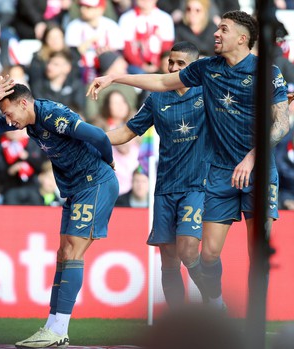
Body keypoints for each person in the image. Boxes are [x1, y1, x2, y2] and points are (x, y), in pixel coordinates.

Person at [88, 10, 290, 308]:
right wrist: (115, 77)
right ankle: (216, 305)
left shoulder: (267, 72)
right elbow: (161, 82)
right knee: (206, 255)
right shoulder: (207, 69)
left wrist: (252, 157)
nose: (216, 34)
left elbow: (282, 123)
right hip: (221, 174)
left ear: (242, 38)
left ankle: (253, 325)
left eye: (223, 29)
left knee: (257, 252)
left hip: (258, 170)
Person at [0, 75, 118, 347]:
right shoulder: (29, 120)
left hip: (95, 183)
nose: (8, 120)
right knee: (63, 254)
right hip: (75, 188)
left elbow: (99, 136)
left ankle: (58, 330)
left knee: (73, 252)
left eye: (9, 113)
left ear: (23, 103)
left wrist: (109, 164)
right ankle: (52, 327)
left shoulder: (52, 115)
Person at [106, 41, 210, 306]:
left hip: (197, 185)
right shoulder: (157, 97)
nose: (173, 68)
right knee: (169, 261)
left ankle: (215, 302)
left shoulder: (207, 91)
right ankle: (179, 325)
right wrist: (88, 136)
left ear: (194, 67)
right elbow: (127, 132)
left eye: (180, 64)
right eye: (170, 63)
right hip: (165, 186)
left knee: (188, 250)